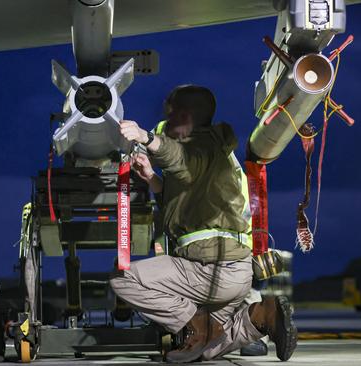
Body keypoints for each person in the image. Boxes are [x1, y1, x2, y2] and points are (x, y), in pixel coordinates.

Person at [110, 85, 297, 362]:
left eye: (169, 115)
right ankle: (261, 315)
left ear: (184, 116)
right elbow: (184, 205)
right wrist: (152, 178)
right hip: (237, 274)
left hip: (209, 269)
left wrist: (145, 137)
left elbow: (178, 156)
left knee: (122, 277)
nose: (164, 121)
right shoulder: (215, 154)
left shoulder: (200, 147)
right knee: (208, 346)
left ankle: (199, 324)